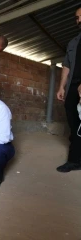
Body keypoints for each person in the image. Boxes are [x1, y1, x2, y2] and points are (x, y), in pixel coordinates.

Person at [56, 6, 81, 173]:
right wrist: (61, 87)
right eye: (77, 18)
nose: (78, 21)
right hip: (73, 86)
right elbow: (66, 65)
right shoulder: (73, 42)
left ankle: (73, 159)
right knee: (74, 123)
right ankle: (77, 157)